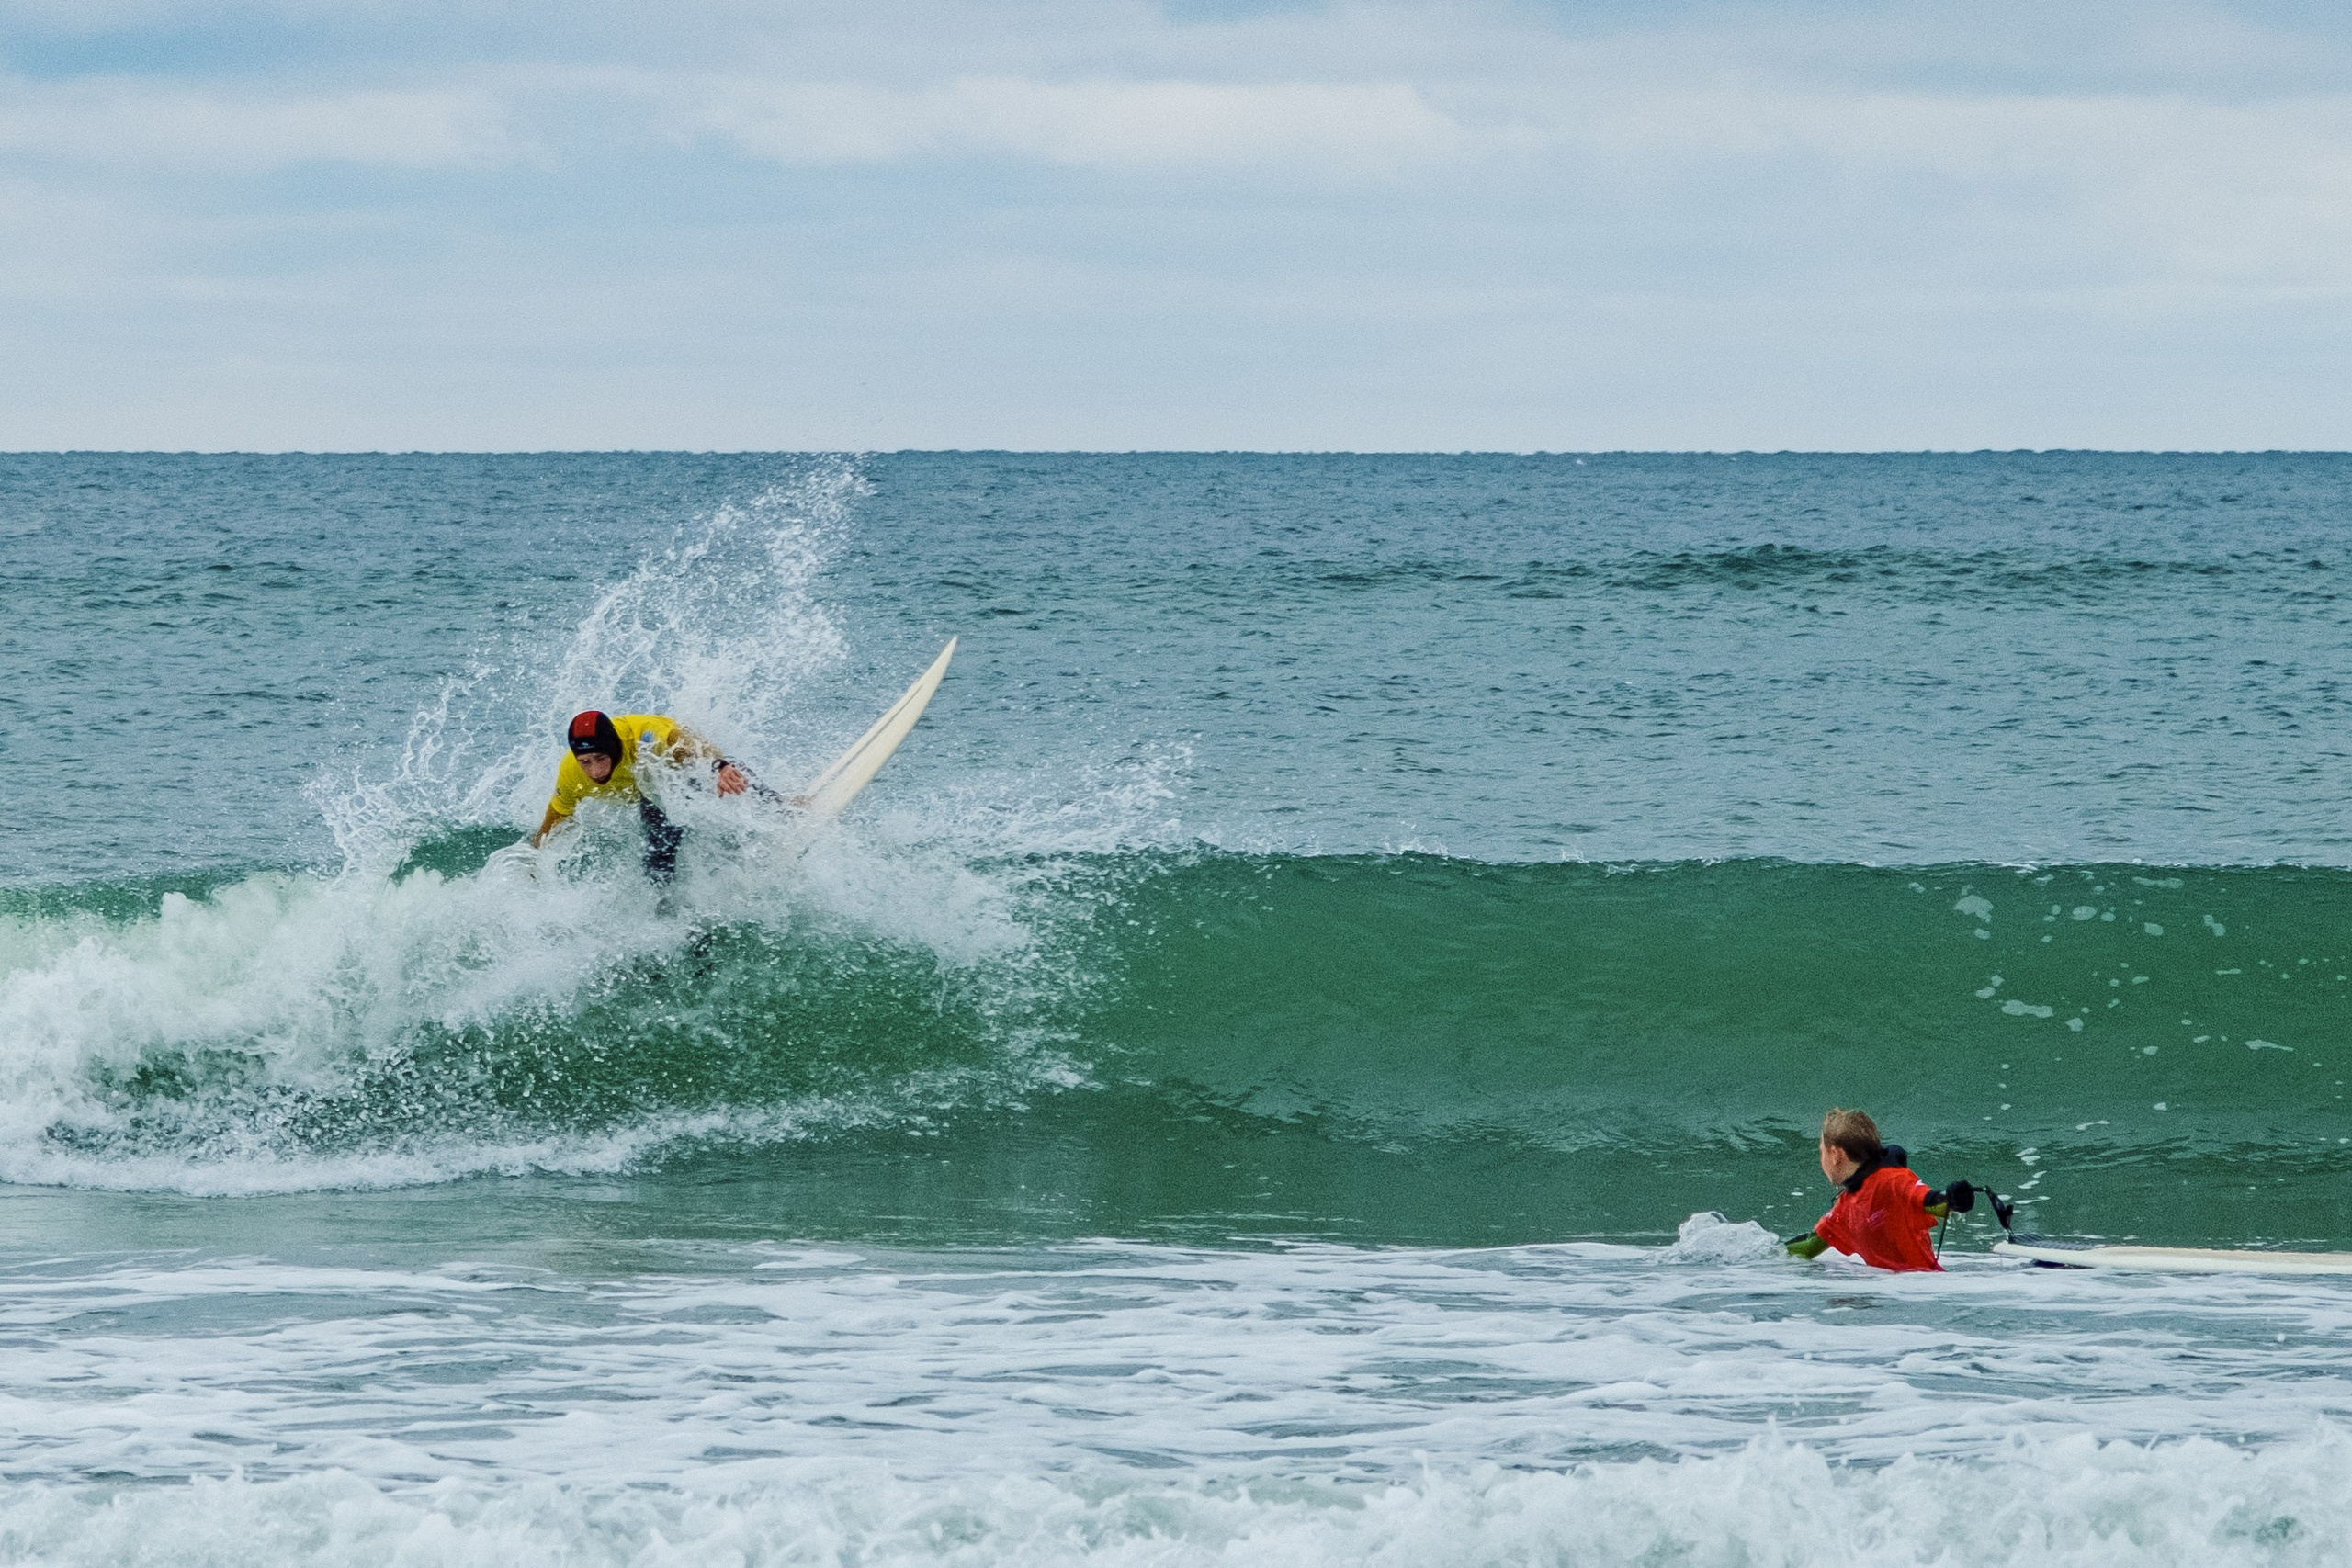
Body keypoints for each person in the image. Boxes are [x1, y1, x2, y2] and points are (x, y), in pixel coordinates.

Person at [531, 710, 755, 883]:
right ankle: (669, 911)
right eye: (586, 762)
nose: (596, 772)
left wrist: (720, 766)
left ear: (613, 746)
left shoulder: (645, 738)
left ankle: (783, 808)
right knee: (657, 863)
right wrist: (533, 861)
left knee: (730, 780)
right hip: (650, 791)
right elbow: (556, 818)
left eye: (600, 758)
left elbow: (689, 744)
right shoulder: (571, 772)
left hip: (674, 772)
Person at [1785, 1108, 1976, 1272]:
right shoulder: (1844, 1208)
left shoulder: (1892, 1180)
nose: (1822, 1159)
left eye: (1822, 1151)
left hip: (1923, 1290)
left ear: (1835, 1155)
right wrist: (1766, 1255)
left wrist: (1953, 1199)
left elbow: (1929, 1202)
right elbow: (1808, 1247)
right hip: (1888, 1294)